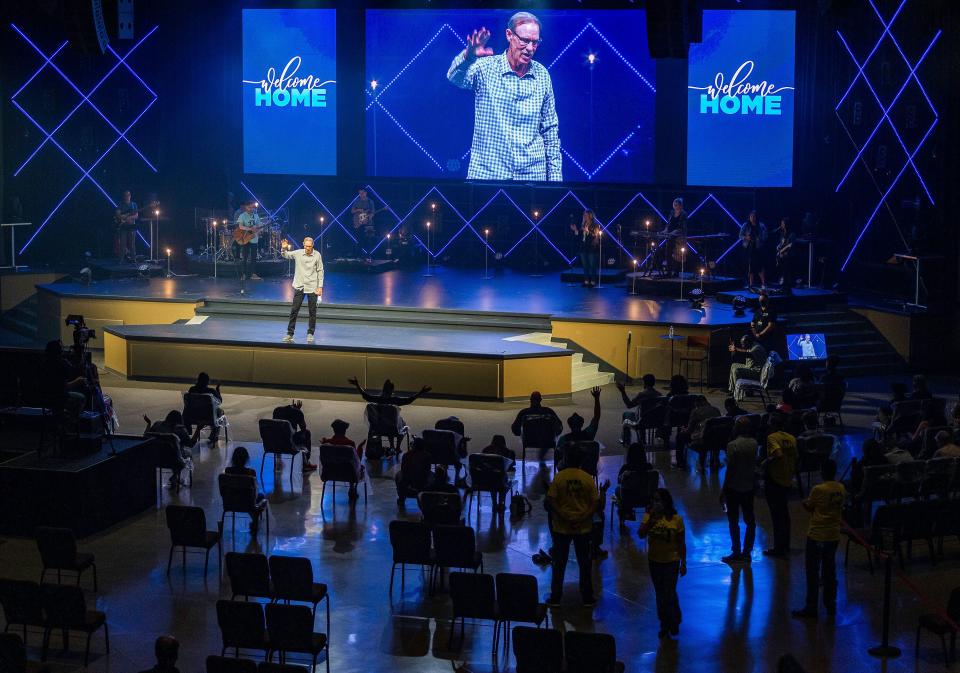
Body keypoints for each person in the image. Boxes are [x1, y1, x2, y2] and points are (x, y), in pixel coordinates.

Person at [447, 12, 561, 181]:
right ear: (509, 35)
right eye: (524, 40)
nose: (530, 48)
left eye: (535, 42)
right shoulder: (486, 68)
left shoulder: (542, 75)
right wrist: (468, 56)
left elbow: (550, 130)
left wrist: (555, 181)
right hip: (489, 175)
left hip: (532, 178)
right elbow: (454, 77)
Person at [545, 443, 598, 607]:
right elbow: (594, 503)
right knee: (585, 563)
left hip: (562, 527)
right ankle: (587, 597)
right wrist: (581, 518)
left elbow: (551, 501)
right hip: (583, 527)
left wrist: (566, 517)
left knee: (559, 563)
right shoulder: (587, 478)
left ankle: (555, 598)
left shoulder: (559, 477)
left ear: (566, 459)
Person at [792, 459, 846, 619]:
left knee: (812, 571)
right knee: (830, 571)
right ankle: (830, 605)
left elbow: (810, 506)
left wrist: (804, 503)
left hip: (817, 534)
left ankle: (811, 606)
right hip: (834, 535)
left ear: (823, 472)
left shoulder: (818, 489)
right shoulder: (841, 488)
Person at [639, 488, 687, 638]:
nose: (655, 503)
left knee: (669, 592)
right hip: (655, 560)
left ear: (665, 502)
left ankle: (673, 619)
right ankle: (665, 623)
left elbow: (681, 542)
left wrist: (683, 562)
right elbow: (641, 534)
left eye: (658, 500)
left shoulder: (676, 520)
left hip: (671, 561)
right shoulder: (649, 516)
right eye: (653, 500)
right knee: (660, 593)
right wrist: (651, 519)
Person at [721, 416, 758, 563]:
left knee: (733, 520)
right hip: (749, 486)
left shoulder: (732, 445)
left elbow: (730, 470)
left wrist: (723, 489)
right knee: (750, 521)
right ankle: (747, 552)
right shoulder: (754, 443)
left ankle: (736, 550)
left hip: (734, 487)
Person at [762, 412, 797, 558]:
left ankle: (778, 548)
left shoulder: (772, 438)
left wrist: (766, 461)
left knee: (776, 516)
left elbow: (778, 454)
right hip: (787, 478)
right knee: (785, 514)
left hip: (775, 479)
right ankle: (786, 544)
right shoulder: (791, 438)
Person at [281, 237, 324, 344]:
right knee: (294, 310)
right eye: (306, 246)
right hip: (300, 285)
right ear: (303, 245)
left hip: (312, 287)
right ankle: (290, 334)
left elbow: (320, 271)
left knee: (312, 312)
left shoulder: (317, 255)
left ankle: (310, 333)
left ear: (312, 246)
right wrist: (283, 249)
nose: (308, 248)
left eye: (310, 246)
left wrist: (320, 287)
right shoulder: (298, 253)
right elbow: (286, 255)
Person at [143, 411, 195, 487]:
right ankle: (175, 475)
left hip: (156, 459)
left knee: (173, 452)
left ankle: (174, 476)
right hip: (174, 461)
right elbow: (190, 444)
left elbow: (145, 437)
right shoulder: (180, 429)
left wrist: (149, 423)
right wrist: (198, 429)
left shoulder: (157, 425)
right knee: (186, 453)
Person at [224, 446, 267, 532]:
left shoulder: (228, 471)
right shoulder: (251, 472)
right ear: (246, 459)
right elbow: (254, 489)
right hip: (248, 503)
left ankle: (254, 520)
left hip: (231, 502)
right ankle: (255, 520)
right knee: (260, 497)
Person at [320, 419, 366, 500]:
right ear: (344, 431)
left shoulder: (326, 444)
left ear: (334, 430)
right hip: (349, 474)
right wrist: (360, 447)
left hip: (330, 472)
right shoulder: (350, 444)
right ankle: (352, 488)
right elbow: (356, 460)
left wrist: (324, 442)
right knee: (354, 467)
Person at [556, 386, 601, 467]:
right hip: (586, 467)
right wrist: (596, 398)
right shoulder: (588, 434)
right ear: (582, 424)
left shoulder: (563, 439)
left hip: (568, 467)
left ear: (569, 425)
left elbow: (558, 456)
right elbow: (597, 417)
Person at [510, 391, 563, 459]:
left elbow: (516, 431)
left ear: (530, 400)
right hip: (547, 447)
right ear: (540, 400)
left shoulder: (524, 413)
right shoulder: (549, 412)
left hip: (529, 446)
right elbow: (559, 429)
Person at [678, 395, 722, 470]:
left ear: (697, 403)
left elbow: (690, 430)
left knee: (679, 436)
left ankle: (680, 463)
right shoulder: (716, 410)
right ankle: (715, 459)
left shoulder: (696, 412)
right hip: (716, 440)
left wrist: (683, 429)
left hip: (701, 440)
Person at [272, 400, 317, 472]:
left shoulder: (277, 410)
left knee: (280, 434)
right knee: (307, 433)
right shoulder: (298, 413)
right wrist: (298, 412)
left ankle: (278, 460)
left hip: (275, 444)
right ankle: (306, 463)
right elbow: (303, 428)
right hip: (289, 444)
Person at [186, 372, 224, 444]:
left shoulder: (192, 389)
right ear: (207, 381)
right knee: (220, 412)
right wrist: (217, 389)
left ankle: (187, 431)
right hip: (208, 417)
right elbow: (219, 401)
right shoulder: (211, 391)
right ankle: (214, 435)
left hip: (193, 416)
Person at [395, 436, 434, 504]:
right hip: (422, 481)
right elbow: (427, 470)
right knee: (432, 475)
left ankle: (401, 497)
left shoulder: (406, 455)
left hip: (407, 481)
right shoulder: (427, 456)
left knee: (398, 474)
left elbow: (403, 469)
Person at [233, 200, 261, 292]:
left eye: (253, 207)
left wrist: (258, 229)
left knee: (253, 257)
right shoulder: (242, 215)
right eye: (250, 207)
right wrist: (250, 228)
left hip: (254, 238)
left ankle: (253, 274)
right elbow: (240, 227)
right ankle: (243, 274)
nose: (251, 209)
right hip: (245, 238)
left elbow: (259, 225)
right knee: (244, 257)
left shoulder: (256, 215)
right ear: (246, 207)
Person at [348, 377, 431, 407]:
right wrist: (421, 392)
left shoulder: (377, 399)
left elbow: (365, 395)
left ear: (383, 389)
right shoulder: (394, 400)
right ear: (392, 390)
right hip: (392, 426)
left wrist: (357, 385)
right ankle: (396, 445)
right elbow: (409, 400)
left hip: (379, 424)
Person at [739, 210, 768, 289]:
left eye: (754, 216)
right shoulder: (746, 225)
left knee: (759, 265)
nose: (752, 218)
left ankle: (763, 284)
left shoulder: (761, 225)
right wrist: (746, 237)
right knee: (750, 266)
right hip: (749, 247)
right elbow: (740, 235)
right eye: (751, 216)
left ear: (756, 217)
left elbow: (765, 236)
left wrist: (759, 239)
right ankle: (751, 284)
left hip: (758, 248)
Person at [571, 210, 601, 287]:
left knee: (592, 265)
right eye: (584, 215)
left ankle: (593, 281)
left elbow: (596, 236)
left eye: (586, 215)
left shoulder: (595, 225)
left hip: (591, 247)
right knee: (585, 265)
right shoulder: (583, 224)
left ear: (590, 216)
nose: (584, 216)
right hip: (583, 247)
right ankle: (586, 281)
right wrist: (575, 230)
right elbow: (579, 235)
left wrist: (588, 231)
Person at [663, 198, 688, 276]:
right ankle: (669, 271)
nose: (674, 206)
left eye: (676, 204)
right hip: (670, 237)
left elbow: (682, 227)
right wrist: (665, 230)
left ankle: (676, 272)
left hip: (679, 237)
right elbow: (669, 224)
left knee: (678, 255)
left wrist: (674, 232)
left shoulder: (683, 214)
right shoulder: (672, 212)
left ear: (680, 205)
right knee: (668, 253)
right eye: (674, 204)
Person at [350, 188, 377, 255]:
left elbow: (372, 213)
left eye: (362, 193)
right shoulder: (357, 201)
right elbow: (352, 211)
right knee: (359, 239)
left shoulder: (370, 202)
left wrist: (369, 217)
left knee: (369, 240)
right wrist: (359, 210)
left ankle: (368, 256)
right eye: (360, 193)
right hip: (358, 223)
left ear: (366, 193)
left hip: (367, 224)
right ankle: (358, 255)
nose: (361, 195)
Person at [114, 190, 139, 263]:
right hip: (123, 226)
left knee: (132, 244)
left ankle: (133, 259)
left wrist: (129, 218)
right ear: (123, 196)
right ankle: (121, 260)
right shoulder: (120, 204)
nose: (127, 197)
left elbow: (136, 215)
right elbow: (117, 215)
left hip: (131, 226)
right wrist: (123, 217)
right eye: (125, 195)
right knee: (122, 244)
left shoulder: (134, 204)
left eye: (128, 195)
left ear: (130, 196)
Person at [774, 216, 795, 290]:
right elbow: (781, 243)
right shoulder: (782, 233)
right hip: (782, 256)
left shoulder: (792, 234)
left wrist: (781, 251)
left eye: (782, 223)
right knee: (782, 270)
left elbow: (790, 245)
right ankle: (783, 285)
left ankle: (787, 286)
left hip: (788, 255)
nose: (781, 225)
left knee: (787, 271)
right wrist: (778, 246)